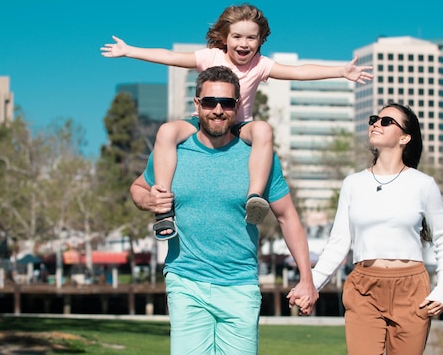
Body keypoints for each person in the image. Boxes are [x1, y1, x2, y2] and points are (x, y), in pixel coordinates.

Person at [102, 3, 373, 240]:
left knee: (264, 130)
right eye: (237, 36)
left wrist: (340, 71)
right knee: (166, 131)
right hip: (204, 121)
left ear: (260, 40)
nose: (244, 44)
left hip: (241, 125)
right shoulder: (211, 57)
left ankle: (254, 198)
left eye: (251, 38)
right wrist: (129, 51)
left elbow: (299, 72)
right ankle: (163, 208)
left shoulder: (260, 64)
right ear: (225, 37)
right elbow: (171, 57)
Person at [129, 66, 318, 355]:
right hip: (186, 280)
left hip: (240, 285)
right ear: (197, 105)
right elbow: (138, 188)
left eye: (227, 103)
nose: (218, 110)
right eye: (209, 102)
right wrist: (149, 201)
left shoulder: (258, 156)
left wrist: (307, 279)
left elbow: (287, 216)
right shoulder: (173, 153)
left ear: (237, 106)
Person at [302, 104, 443, 355]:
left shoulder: (423, 184)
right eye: (375, 119)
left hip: (411, 290)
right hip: (364, 288)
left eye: (386, 121)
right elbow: (339, 243)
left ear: (405, 137)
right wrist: (312, 285)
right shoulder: (353, 183)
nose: (376, 123)